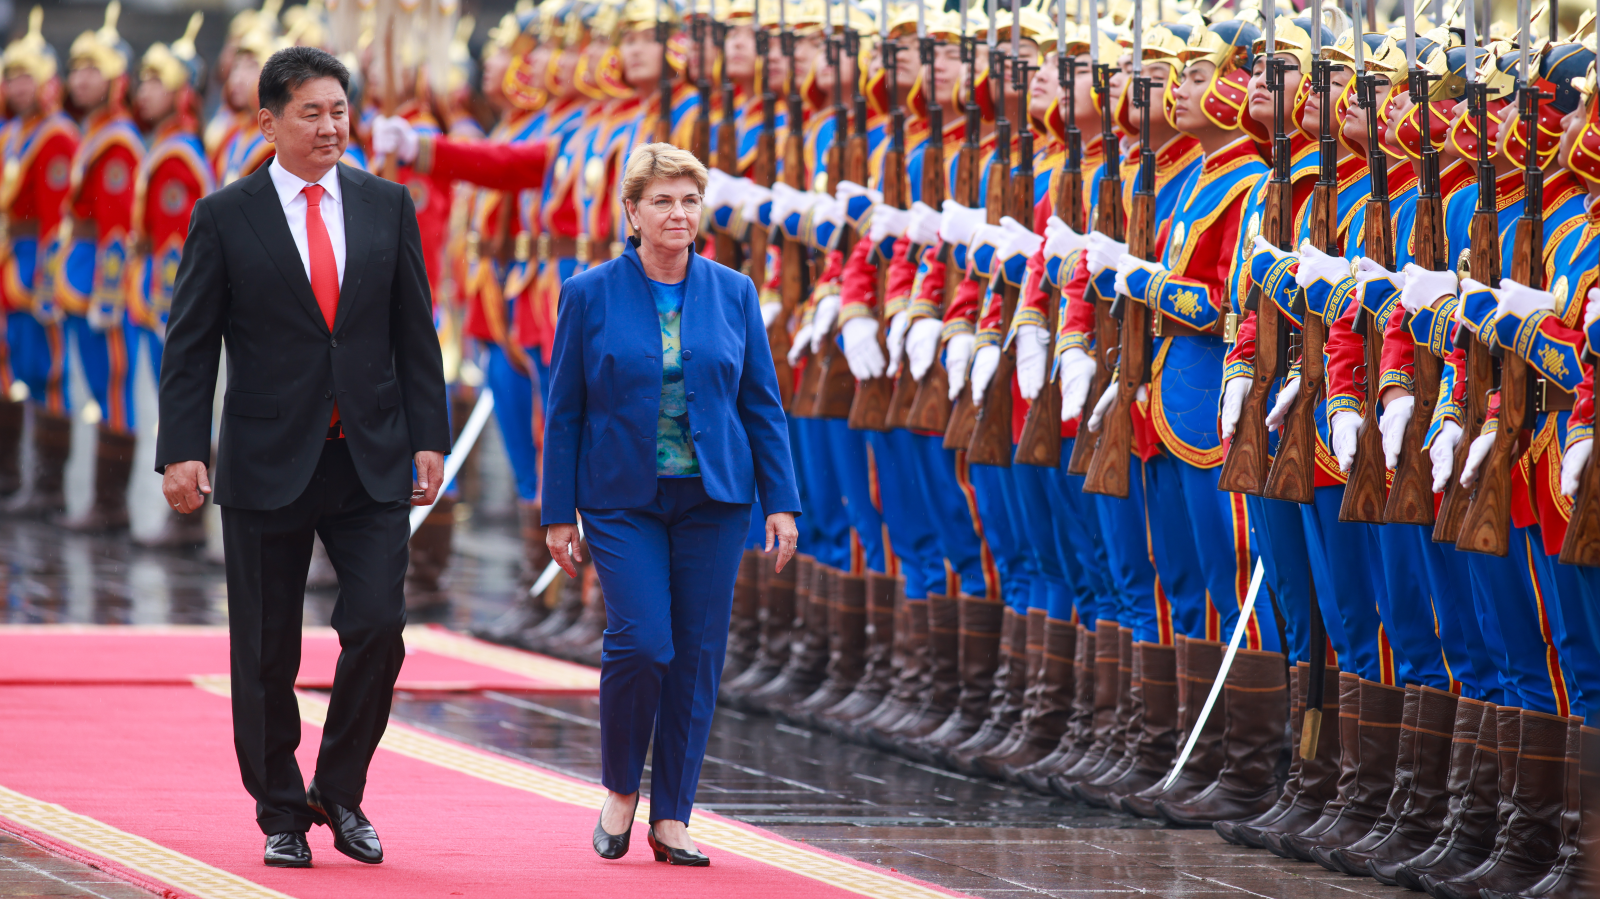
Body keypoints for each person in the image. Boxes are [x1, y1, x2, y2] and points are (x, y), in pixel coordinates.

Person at [154, 45, 449, 869]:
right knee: (264, 648)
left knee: (380, 627)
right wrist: (182, 450)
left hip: (369, 456)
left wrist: (431, 436)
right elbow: (190, 345)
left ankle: (341, 790)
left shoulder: (387, 205)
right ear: (269, 121)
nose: (329, 127)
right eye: (311, 113)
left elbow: (413, 332)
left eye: (339, 112)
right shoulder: (225, 214)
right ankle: (281, 810)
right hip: (264, 459)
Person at [540, 142, 799, 865]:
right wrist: (558, 512)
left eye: (689, 199)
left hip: (715, 496)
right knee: (644, 639)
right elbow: (564, 410)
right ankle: (622, 785)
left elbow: (761, 403)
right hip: (623, 498)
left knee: (697, 654)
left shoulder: (733, 291)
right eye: (662, 200)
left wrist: (782, 502)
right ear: (631, 212)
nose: (678, 213)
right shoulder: (588, 292)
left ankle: (674, 814)